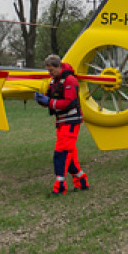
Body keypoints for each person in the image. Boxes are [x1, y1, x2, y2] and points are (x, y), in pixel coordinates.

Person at [35, 54, 89, 195]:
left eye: (51, 70)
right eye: (48, 70)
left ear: (59, 67)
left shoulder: (70, 80)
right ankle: (81, 181)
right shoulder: (54, 81)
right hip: (61, 122)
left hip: (70, 121)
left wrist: (48, 102)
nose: (49, 73)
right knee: (69, 154)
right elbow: (52, 101)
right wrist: (42, 101)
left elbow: (68, 103)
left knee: (61, 153)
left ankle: (59, 186)